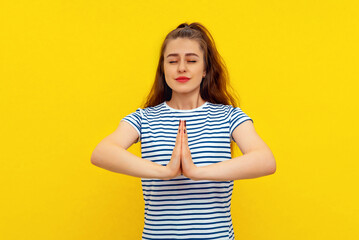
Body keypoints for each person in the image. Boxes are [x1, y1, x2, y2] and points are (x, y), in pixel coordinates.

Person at [91, 22, 276, 240]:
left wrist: (195, 172)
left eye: (191, 60)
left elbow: (265, 160)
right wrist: (166, 172)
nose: (181, 68)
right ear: (163, 68)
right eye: (172, 61)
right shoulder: (144, 118)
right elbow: (101, 152)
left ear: (205, 69)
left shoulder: (229, 116)